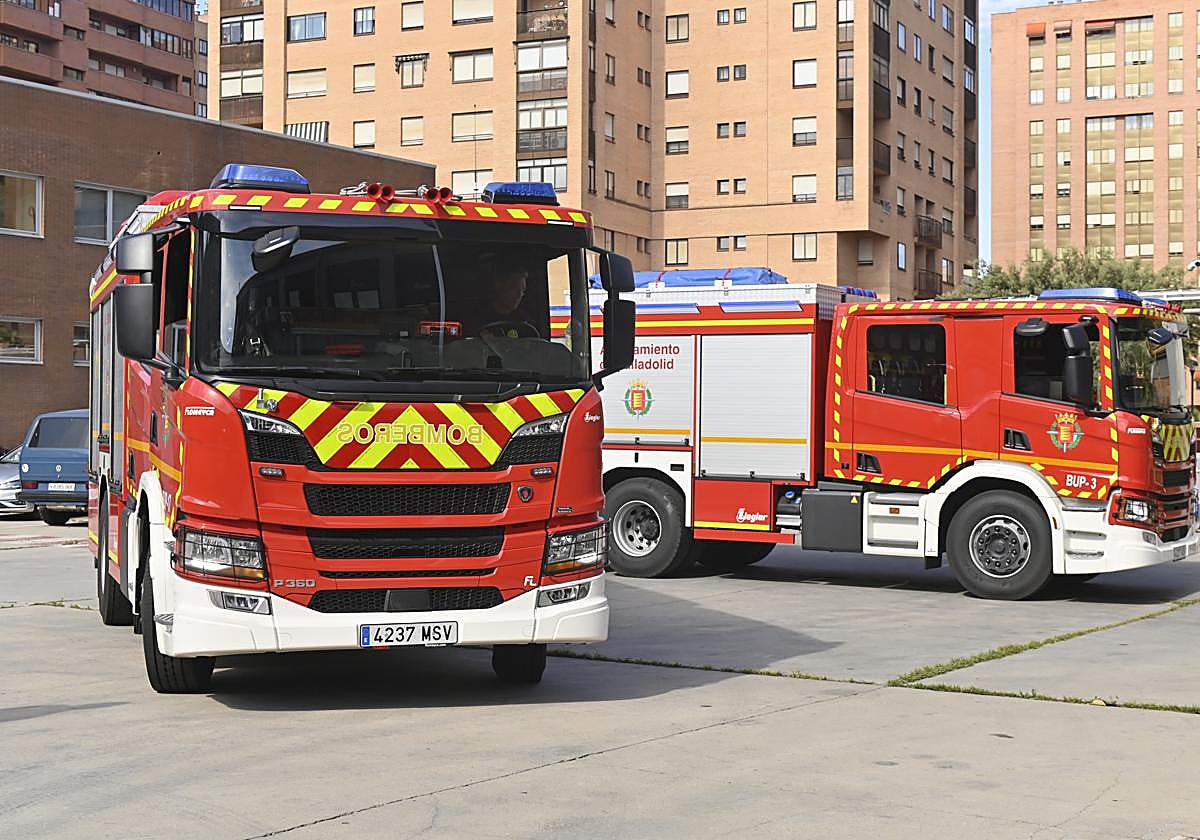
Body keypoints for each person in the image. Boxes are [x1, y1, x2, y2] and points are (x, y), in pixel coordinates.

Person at [472, 258, 540, 338]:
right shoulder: (477, 319)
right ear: (498, 285)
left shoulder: (525, 322)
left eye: (523, 291)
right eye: (514, 288)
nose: (519, 295)